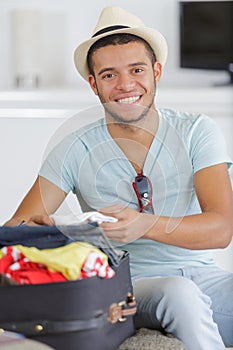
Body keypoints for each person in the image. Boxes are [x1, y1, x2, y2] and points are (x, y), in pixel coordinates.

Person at [4, 6, 233, 350]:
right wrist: (47, 234)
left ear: (156, 71)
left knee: (189, 290)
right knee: (178, 292)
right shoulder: (74, 148)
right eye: (109, 75)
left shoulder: (196, 131)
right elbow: (14, 232)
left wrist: (144, 224)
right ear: (93, 84)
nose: (126, 85)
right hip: (127, 285)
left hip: (205, 276)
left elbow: (221, 229)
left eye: (137, 69)